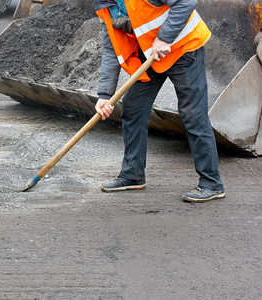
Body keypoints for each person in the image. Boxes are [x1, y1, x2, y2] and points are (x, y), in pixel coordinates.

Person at [93, 0, 225, 203]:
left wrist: (164, 38)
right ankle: (132, 175)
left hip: (184, 48)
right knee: (133, 108)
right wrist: (104, 95)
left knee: (193, 114)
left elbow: (186, 2)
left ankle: (211, 183)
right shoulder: (104, 4)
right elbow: (112, 49)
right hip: (151, 55)